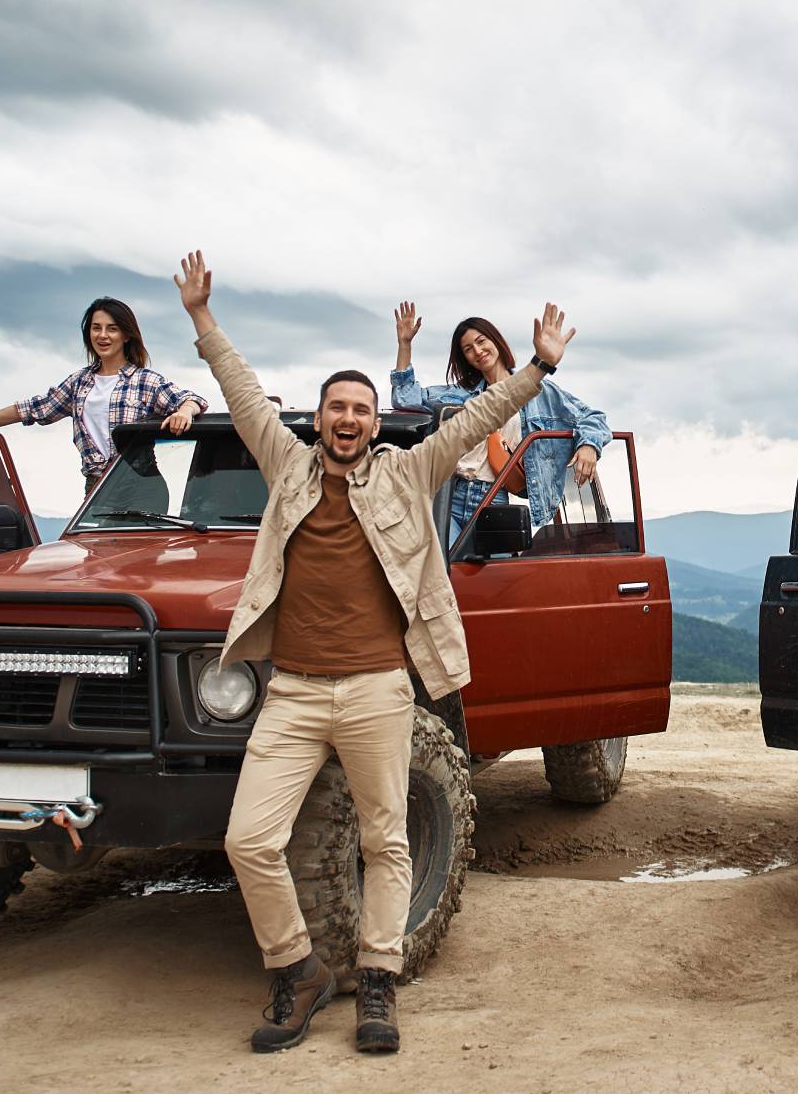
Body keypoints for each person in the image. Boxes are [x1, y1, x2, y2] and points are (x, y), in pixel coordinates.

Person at [175, 250, 575, 1056]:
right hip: (291, 692)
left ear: (373, 420)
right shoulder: (286, 467)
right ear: (319, 419)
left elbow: (471, 420)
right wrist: (202, 319)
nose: (350, 419)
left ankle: (378, 982)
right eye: (337, 408)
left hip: (379, 691)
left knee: (385, 842)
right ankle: (297, 970)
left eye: (361, 408)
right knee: (248, 841)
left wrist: (537, 367)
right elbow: (243, 392)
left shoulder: (404, 472)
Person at [0, 296, 206, 493]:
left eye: (112, 328)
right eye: (96, 328)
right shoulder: (80, 383)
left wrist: (184, 411)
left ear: (126, 335)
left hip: (140, 483)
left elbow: (193, 400)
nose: (103, 335)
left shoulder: (144, 381)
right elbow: (30, 409)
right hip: (95, 486)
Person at [389, 304, 610, 542]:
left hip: (493, 496)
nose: (477, 351)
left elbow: (593, 417)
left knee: (495, 574)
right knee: (443, 569)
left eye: (481, 341)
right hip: (449, 494)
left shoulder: (539, 392)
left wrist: (589, 446)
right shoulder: (458, 395)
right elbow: (404, 398)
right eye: (468, 349)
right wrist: (405, 345)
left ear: (495, 341)